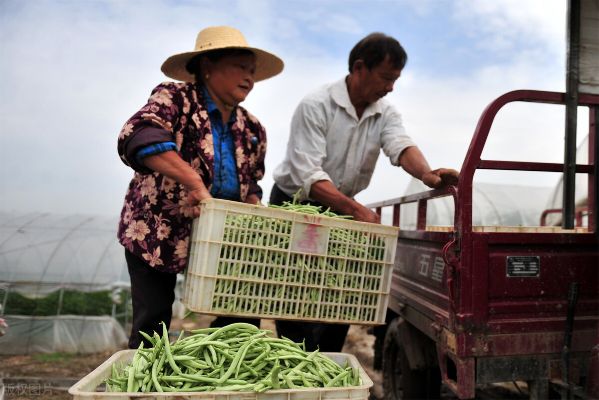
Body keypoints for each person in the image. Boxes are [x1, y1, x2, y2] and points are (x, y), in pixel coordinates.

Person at [270, 32, 458, 352]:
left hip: (339, 206)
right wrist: (357, 210)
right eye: (386, 77)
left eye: (396, 79)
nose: (390, 87)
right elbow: (309, 176)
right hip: (298, 205)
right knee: (295, 288)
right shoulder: (316, 105)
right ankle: (294, 358)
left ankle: (327, 363)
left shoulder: (385, 112)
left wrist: (427, 174)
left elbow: (400, 145)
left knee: (340, 292)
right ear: (359, 68)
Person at [117, 26, 284, 349]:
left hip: (220, 236)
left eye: (252, 72)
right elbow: (138, 135)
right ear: (207, 65)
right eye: (240, 67)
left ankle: (217, 374)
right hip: (158, 229)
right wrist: (193, 181)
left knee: (241, 321)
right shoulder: (175, 99)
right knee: (153, 325)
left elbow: (252, 183)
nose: (249, 78)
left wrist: (254, 205)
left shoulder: (252, 128)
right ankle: (148, 392)